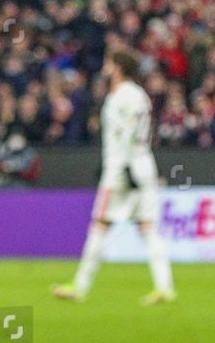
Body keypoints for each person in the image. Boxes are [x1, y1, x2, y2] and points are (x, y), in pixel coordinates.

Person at [53, 48, 175, 305]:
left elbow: (127, 134)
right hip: (144, 164)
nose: (106, 67)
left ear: (118, 68)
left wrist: (122, 170)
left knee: (99, 224)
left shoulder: (120, 97)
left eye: (109, 63)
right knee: (148, 227)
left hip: (122, 169)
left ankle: (80, 286)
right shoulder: (140, 95)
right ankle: (165, 287)